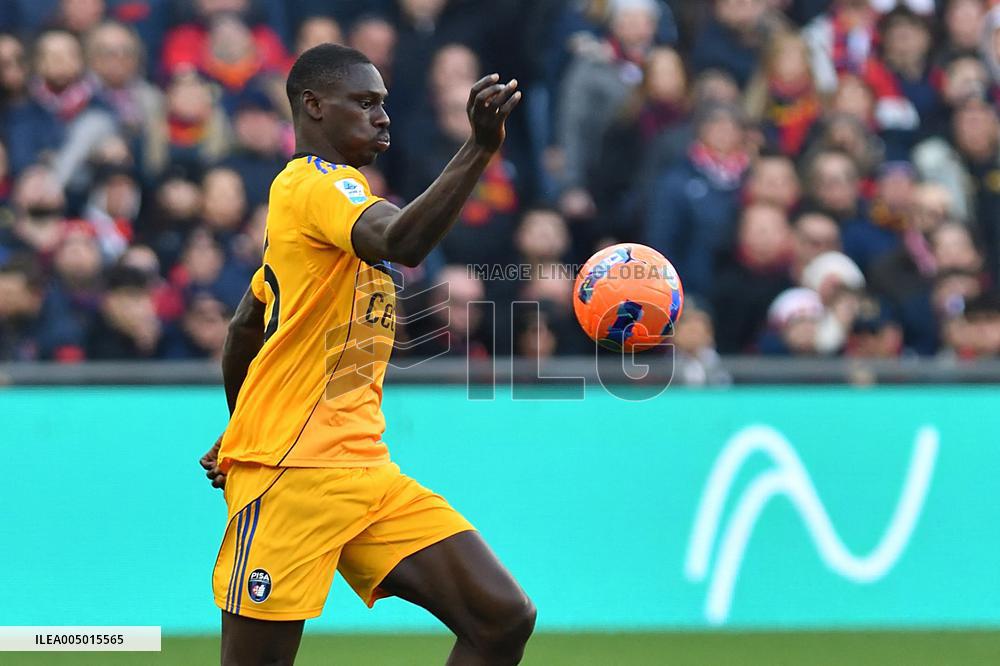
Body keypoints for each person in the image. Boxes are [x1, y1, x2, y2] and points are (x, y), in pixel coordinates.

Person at [198, 44, 533, 665]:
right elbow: (403, 240)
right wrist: (480, 148)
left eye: (384, 104)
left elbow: (246, 326)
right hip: (290, 476)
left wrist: (237, 424)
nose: (383, 117)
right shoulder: (315, 183)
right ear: (314, 106)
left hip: (363, 469)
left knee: (502, 618)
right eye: (365, 103)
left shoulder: (315, 218)